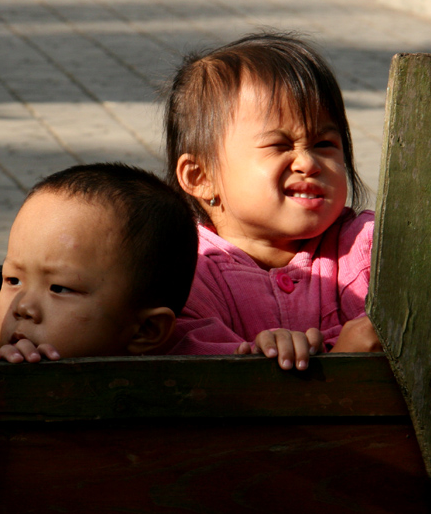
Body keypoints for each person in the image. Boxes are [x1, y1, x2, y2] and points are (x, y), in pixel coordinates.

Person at [162, 31, 382, 371]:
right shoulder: (184, 272)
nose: (308, 163)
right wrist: (341, 360)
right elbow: (196, 378)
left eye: (324, 144)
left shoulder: (366, 246)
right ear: (200, 177)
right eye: (280, 145)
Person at [0, 163, 198, 363]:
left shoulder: (200, 388)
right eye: (13, 280)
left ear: (145, 330)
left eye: (59, 288)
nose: (23, 307)